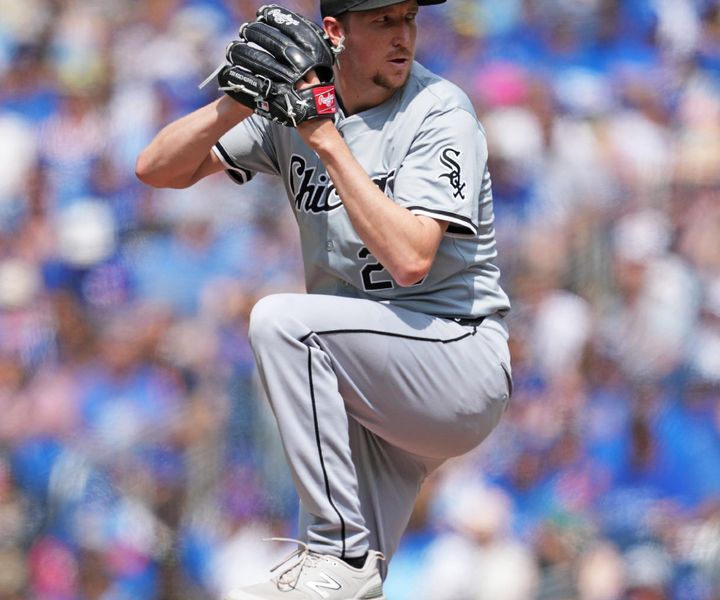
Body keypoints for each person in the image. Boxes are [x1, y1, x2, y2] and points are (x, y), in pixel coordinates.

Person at [136, 0, 512, 598]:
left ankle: (338, 546)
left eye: (408, 18)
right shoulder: (294, 111)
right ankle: (343, 559)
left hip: (453, 356)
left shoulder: (438, 110)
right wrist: (236, 99)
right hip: (373, 387)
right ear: (335, 32)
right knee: (322, 593)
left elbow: (412, 260)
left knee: (282, 320)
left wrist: (326, 138)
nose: (403, 36)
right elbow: (157, 169)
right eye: (382, 21)